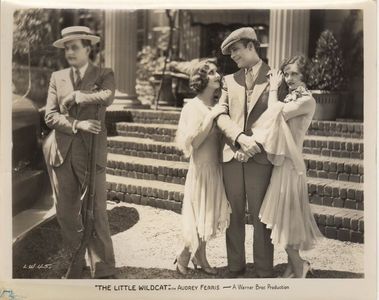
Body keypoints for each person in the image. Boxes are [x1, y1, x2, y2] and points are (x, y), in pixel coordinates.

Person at [43, 26, 116, 279]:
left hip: (91, 152)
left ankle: (103, 267)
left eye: (74, 46)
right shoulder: (57, 76)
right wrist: (76, 124)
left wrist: (77, 96)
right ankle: (76, 264)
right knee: (65, 212)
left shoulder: (104, 73)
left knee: (95, 209)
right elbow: (50, 116)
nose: (69, 52)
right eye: (66, 47)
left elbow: (107, 97)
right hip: (61, 151)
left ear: (88, 48)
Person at [245, 55, 323, 278]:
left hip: (291, 166)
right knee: (286, 218)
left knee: (283, 219)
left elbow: (273, 114)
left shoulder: (306, 100)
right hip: (283, 163)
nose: (289, 78)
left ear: (304, 76)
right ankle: (293, 265)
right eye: (286, 74)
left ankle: (299, 266)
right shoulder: (291, 97)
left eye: (294, 74)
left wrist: (273, 88)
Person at [216, 27, 274, 278]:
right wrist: (238, 138)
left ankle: (263, 269)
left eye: (236, 50)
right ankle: (235, 265)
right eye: (230, 52)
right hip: (232, 156)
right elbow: (220, 114)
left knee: (261, 216)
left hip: (260, 157)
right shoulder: (228, 80)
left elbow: (277, 119)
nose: (232, 56)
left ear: (251, 46)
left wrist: (254, 145)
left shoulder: (276, 78)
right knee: (234, 214)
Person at [175, 59, 231, 276]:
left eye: (217, 71)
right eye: (211, 73)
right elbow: (195, 143)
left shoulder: (215, 107)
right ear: (201, 79)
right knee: (198, 215)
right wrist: (212, 115)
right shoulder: (193, 107)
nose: (217, 75)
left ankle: (200, 256)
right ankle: (184, 257)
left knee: (207, 215)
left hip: (215, 169)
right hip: (201, 170)